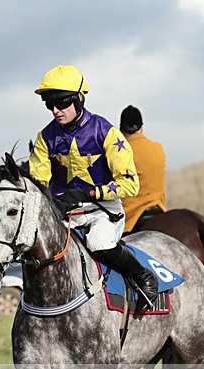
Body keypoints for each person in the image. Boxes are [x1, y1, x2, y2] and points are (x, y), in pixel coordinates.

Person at [29, 65, 159, 311]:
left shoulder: (107, 132)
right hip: (65, 216)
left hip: (103, 211)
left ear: (79, 98)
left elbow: (130, 184)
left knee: (99, 244)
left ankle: (143, 276)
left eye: (62, 103)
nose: (55, 110)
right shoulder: (44, 138)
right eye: (49, 104)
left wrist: (90, 193)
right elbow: (39, 181)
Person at [119, 105, 166, 234]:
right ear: (142, 128)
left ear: (121, 130)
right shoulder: (158, 148)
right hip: (159, 208)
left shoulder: (121, 151)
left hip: (132, 217)